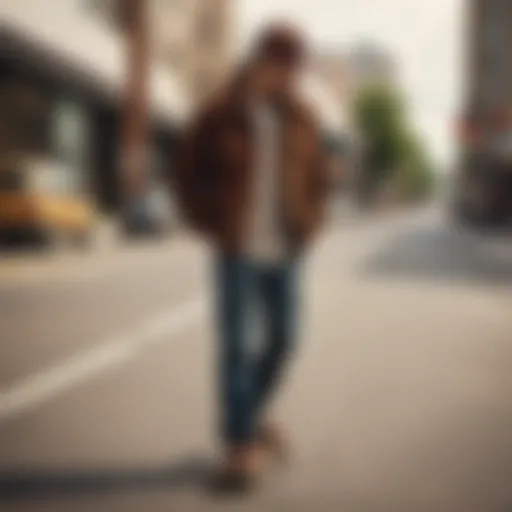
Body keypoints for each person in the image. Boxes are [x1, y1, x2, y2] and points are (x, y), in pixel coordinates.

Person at [175, 23, 329, 490]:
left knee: (286, 339)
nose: (290, 77)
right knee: (238, 346)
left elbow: (320, 179)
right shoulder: (220, 112)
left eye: (296, 68)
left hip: (285, 249)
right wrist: (210, 221)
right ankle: (241, 445)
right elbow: (186, 172)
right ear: (261, 61)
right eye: (283, 65)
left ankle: (252, 415)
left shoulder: (303, 117)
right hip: (238, 249)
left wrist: (310, 223)